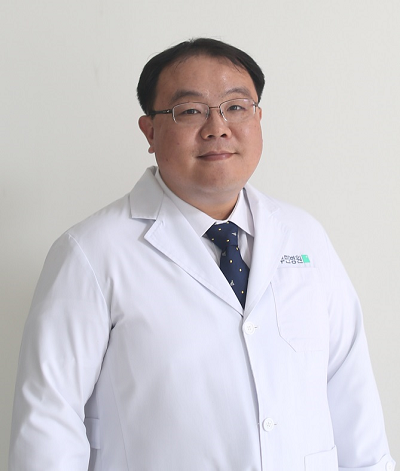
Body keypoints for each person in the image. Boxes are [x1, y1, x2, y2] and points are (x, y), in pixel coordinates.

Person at [9, 38, 395, 471]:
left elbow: (352, 400)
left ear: (258, 118)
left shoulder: (304, 236)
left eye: (236, 107)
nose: (218, 128)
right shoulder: (91, 253)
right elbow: (47, 427)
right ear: (150, 131)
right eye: (190, 110)